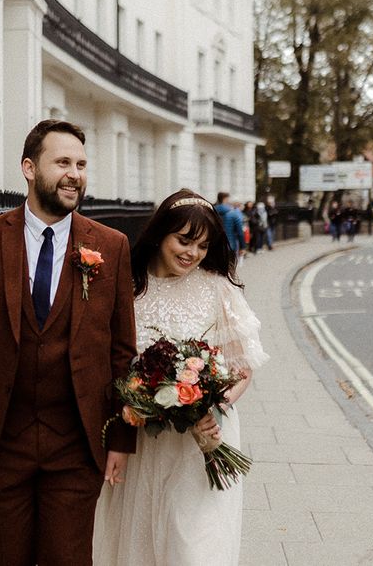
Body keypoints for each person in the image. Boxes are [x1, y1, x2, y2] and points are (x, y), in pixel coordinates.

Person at [0, 120, 138, 566]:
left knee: (68, 558)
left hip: (77, 439)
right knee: (5, 558)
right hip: (2, 436)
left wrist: (121, 438)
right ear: (29, 167)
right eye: (62, 162)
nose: (75, 174)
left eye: (81, 164)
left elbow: (123, 352)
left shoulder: (111, 246)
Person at [93, 188, 269, 566]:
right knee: (140, 545)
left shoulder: (216, 288)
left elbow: (242, 369)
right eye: (184, 240)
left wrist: (212, 403)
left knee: (193, 546)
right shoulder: (129, 289)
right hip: (144, 438)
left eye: (203, 246)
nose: (192, 253)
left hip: (200, 439)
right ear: (160, 234)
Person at [214, 191, 245, 260]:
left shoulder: (212, 212)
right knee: (229, 267)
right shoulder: (233, 213)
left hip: (214, 245)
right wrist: (242, 247)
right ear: (225, 199)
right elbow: (240, 232)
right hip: (230, 245)